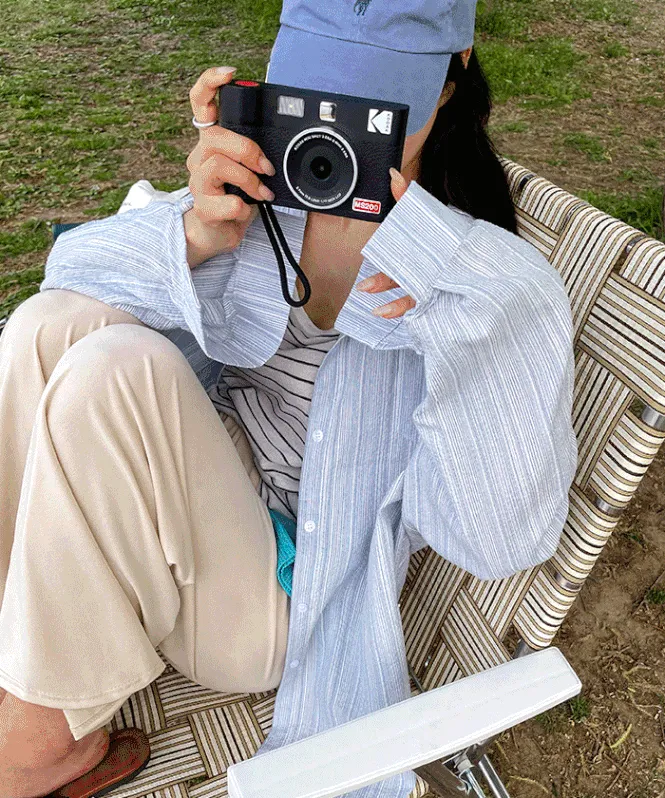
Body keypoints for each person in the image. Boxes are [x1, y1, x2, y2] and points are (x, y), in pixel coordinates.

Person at [0, 1, 578, 797]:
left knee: (117, 368)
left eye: (377, 105)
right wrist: (196, 231)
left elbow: (498, 542)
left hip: (278, 603)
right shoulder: (271, 188)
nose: (336, 120)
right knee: (48, 327)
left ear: (451, 78)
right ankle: (20, 646)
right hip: (196, 516)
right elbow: (68, 278)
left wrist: (457, 314)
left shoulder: (486, 279)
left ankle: (41, 744)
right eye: (314, 89)